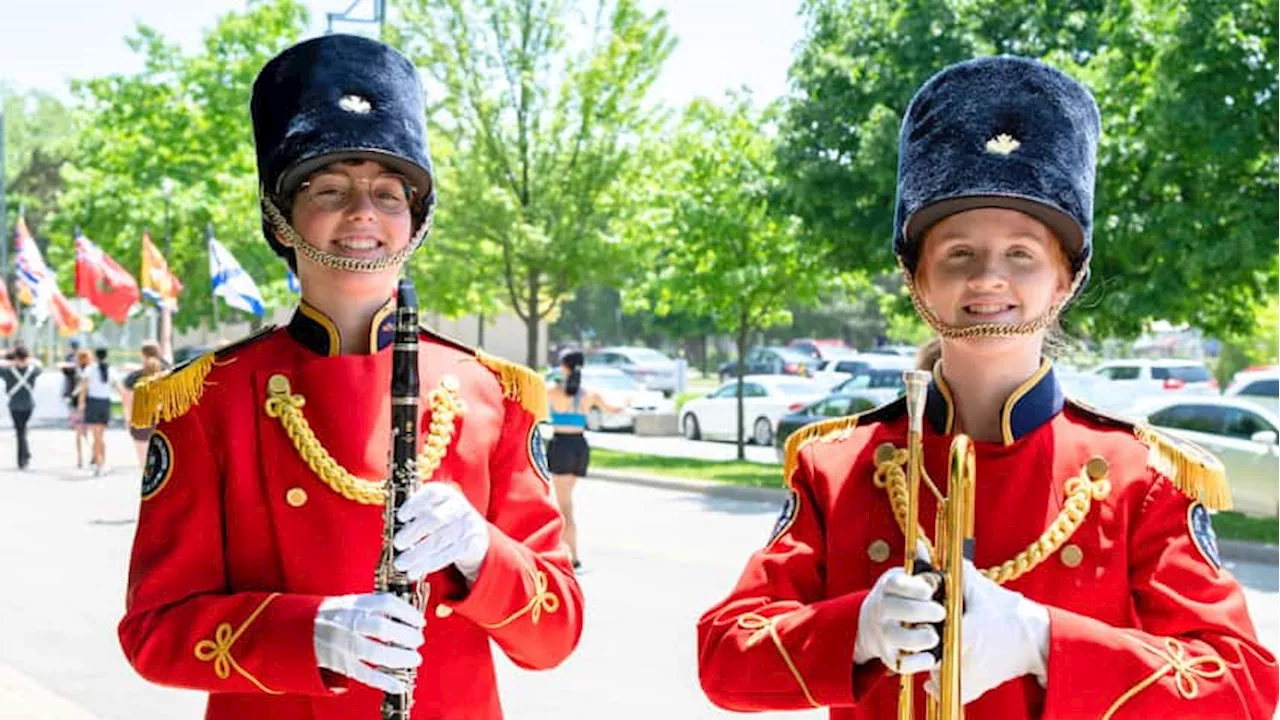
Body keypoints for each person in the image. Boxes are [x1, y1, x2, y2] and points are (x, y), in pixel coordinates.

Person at [697, 56, 1279, 719]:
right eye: (958, 255)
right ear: (916, 281)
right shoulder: (836, 466)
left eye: (1022, 255)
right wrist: (854, 629)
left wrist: (1044, 642)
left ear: (1066, 282)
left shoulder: (1140, 478)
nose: (987, 281)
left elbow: (1241, 685)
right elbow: (723, 655)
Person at [118, 34, 582, 720]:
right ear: (281, 219)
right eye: (329, 188)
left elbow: (555, 636)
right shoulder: (208, 401)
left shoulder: (495, 395)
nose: (363, 213)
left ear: (416, 221)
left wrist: (485, 553)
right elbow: (153, 632)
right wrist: (309, 634)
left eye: (389, 194)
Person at [545, 348, 622, 569]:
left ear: (564, 367)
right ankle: (570, 553)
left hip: (561, 445)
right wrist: (626, 401)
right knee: (568, 503)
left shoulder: (553, 390)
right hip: (580, 447)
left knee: (563, 506)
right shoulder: (590, 394)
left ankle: (569, 555)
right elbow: (613, 409)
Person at [79, 347, 126, 476]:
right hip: (105, 404)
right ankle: (101, 462)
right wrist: (126, 402)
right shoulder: (111, 369)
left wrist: (81, 404)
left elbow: (83, 388)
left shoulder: (89, 369)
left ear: (95, 355)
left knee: (96, 436)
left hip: (93, 403)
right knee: (100, 436)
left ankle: (99, 463)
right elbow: (119, 388)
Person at [0, 345, 42, 469]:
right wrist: (28, 359)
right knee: (22, 431)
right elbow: (39, 365)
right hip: (29, 404)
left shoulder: (8, 371)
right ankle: (26, 454)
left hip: (14, 405)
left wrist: (9, 359)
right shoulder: (32, 370)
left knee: (20, 432)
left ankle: (22, 460)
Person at [122, 355, 164, 466]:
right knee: (158, 455)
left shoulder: (137, 385)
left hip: (139, 421)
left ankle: (145, 477)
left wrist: (127, 420)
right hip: (157, 422)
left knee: (142, 458)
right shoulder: (163, 384)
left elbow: (128, 403)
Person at [62, 347, 92, 468]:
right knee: (88, 432)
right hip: (90, 403)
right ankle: (91, 455)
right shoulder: (91, 370)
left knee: (80, 432)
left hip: (78, 404)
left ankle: (81, 458)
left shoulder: (75, 371)